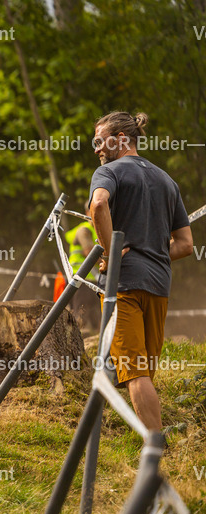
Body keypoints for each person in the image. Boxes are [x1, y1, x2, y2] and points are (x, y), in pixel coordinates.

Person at [88, 111, 193, 433]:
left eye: (99, 140)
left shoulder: (109, 171)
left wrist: (110, 253)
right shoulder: (166, 180)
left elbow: (98, 205)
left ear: (121, 139)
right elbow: (186, 244)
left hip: (124, 284)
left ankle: (154, 449)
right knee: (140, 369)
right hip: (159, 285)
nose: (96, 149)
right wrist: (154, 253)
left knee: (135, 372)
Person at [66, 219, 101, 332]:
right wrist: (110, 264)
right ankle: (78, 339)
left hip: (92, 279)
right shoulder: (84, 230)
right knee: (81, 312)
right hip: (81, 278)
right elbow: (89, 252)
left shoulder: (97, 230)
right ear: (87, 212)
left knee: (94, 313)